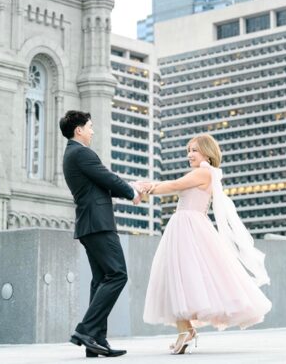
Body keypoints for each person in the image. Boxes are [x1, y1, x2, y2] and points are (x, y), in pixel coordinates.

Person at [139, 134, 271, 355]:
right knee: (178, 278)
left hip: (188, 227)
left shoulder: (202, 172)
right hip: (186, 226)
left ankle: (186, 331)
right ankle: (185, 330)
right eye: (188, 150)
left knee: (179, 276)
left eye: (195, 150)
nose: (190, 154)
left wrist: (146, 187)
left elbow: (174, 185)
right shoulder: (204, 172)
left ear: (207, 153)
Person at [61, 109, 146, 358]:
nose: (92, 130)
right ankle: (86, 331)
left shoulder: (73, 154)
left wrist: (131, 188)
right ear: (78, 130)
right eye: (89, 126)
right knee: (118, 274)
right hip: (98, 224)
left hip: (90, 224)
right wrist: (132, 192)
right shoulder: (81, 153)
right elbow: (107, 177)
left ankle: (96, 340)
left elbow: (102, 183)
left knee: (101, 280)